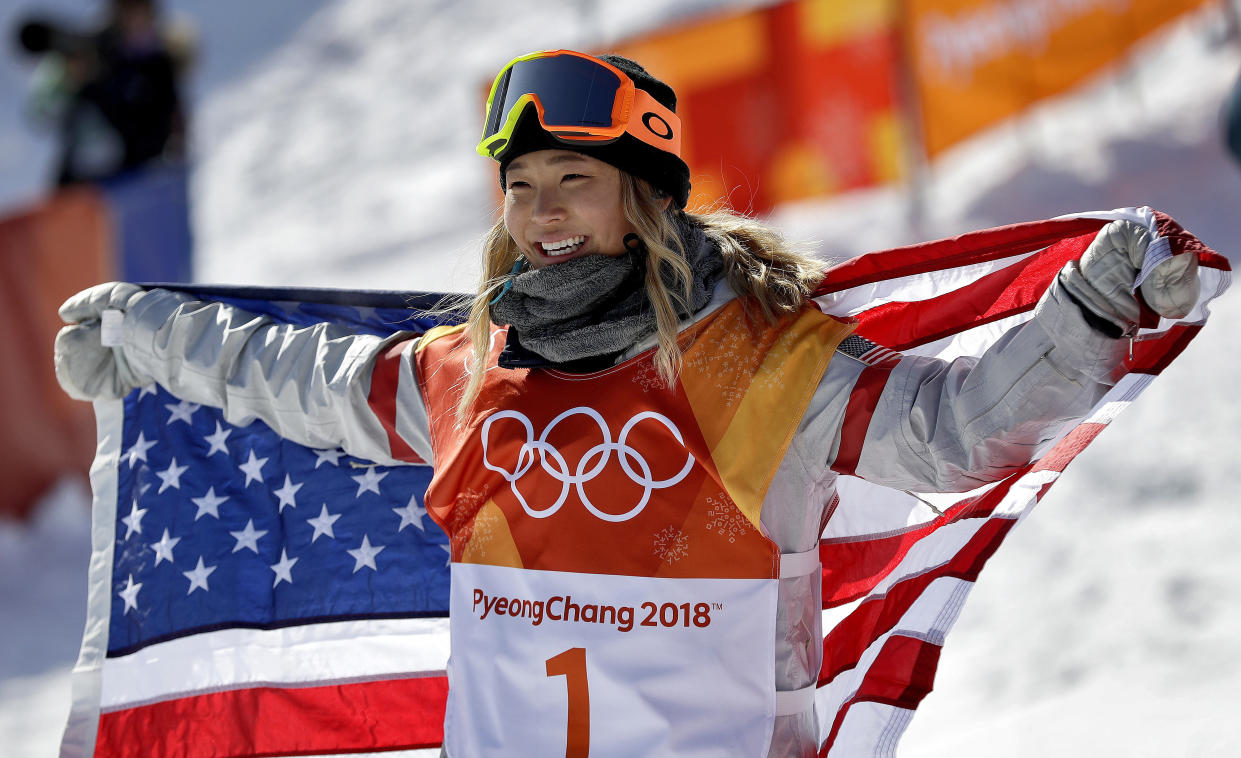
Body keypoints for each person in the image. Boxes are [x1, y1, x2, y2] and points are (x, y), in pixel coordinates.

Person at [53, 50, 1200, 757]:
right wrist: (148, 332)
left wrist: (1088, 311)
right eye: (523, 186)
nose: (544, 212)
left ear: (643, 197)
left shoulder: (760, 362)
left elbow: (956, 432)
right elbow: (296, 382)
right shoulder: (469, 370)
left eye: (575, 182)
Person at [16, 0, 188, 186]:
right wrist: (70, 81)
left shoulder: (159, 65)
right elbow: (41, 113)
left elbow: (162, 126)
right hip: (79, 185)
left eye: (140, 10)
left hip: (136, 182)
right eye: (128, 10)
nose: (135, 19)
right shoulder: (95, 49)